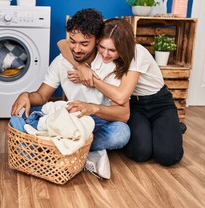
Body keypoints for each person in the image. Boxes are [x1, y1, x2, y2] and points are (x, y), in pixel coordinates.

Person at [58, 18, 184, 166]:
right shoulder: (103, 50)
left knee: (167, 157)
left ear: (124, 47)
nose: (105, 54)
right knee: (140, 154)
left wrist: (90, 78)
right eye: (101, 47)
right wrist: (81, 67)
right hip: (135, 107)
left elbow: (121, 95)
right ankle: (158, 132)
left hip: (159, 104)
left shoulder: (137, 53)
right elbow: (62, 43)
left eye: (112, 50)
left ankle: (174, 128)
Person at [11, 8, 130, 153]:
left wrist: (92, 108)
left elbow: (123, 114)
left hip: (96, 121)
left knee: (121, 133)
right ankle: (67, 146)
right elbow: (42, 96)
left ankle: (49, 145)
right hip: (66, 118)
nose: (77, 49)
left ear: (97, 41)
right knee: (31, 112)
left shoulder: (110, 64)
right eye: (73, 42)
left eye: (84, 44)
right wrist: (27, 95)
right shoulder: (62, 61)